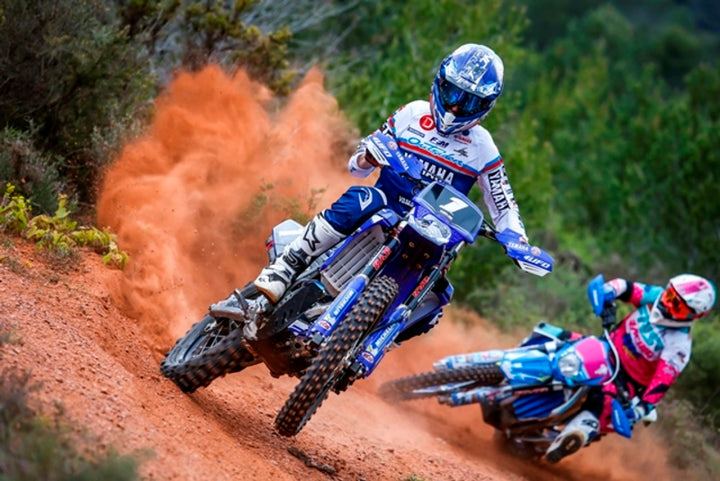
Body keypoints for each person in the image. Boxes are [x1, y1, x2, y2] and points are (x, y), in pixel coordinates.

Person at [254, 43, 529, 309]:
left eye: (469, 101)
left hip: (434, 234)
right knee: (363, 197)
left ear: (485, 106)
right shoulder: (412, 114)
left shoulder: (483, 147)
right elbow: (356, 167)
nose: (456, 107)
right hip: (383, 210)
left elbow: (504, 203)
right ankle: (288, 264)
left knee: (437, 297)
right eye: (453, 93)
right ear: (440, 83)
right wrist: (368, 157)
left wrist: (518, 241)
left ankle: (383, 332)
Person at [545, 274, 717, 463]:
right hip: (604, 347)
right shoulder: (655, 295)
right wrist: (608, 293)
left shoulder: (679, 345)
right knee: (554, 335)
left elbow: (662, 382)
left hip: (624, 382)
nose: (668, 305)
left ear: (694, 315)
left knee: (602, 403)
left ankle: (571, 437)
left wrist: (640, 409)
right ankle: (517, 360)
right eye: (670, 296)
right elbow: (625, 287)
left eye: (678, 306)